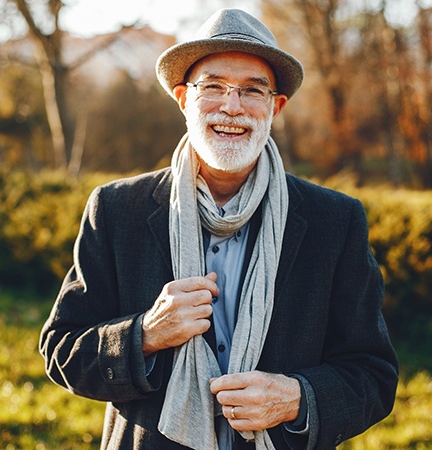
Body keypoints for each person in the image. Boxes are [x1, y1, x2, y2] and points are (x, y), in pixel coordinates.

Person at [39, 8, 398, 450]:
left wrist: (299, 398)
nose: (232, 106)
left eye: (252, 90)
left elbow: (373, 374)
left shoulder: (335, 221)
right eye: (213, 87)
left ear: (275, 106)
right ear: (183, 99)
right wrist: (145, 335)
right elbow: (62, 351)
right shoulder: (116, 210)